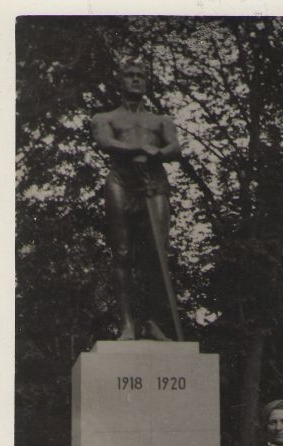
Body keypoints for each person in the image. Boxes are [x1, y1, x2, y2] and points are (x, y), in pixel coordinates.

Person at [91, 58, 181, 340]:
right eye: (129, 75)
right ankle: (127, 324)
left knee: (157, 255)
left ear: (147, 80)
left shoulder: (160, 121)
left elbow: (175, 148)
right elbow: (105, 142)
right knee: (122, 254)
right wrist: (138, 148)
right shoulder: (105, 118)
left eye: (140, 75)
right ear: (121, 80)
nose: (135, 79)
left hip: (154, 184)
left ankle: (153, 322)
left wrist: (156, 153)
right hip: (121, 182)